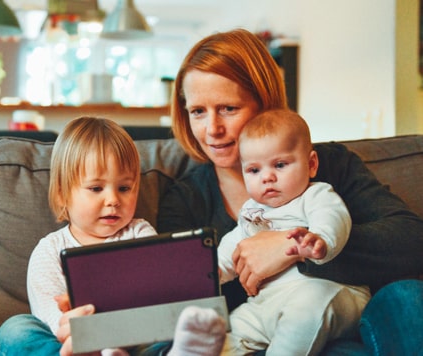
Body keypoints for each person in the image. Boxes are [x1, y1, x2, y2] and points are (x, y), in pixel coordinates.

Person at [157, 28, 423, 353]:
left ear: (263, 103)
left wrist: (290, 248)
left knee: (408, 296)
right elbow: (182, 297)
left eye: (228, 108)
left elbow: (411, 240)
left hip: (343, 325)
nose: (212, 129)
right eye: (198, 111)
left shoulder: (329, 165)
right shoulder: (184, 199)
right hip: (250, 337)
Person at [0, 116, 226, 356]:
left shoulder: (140, 233)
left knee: (172, 332)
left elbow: (158, 296)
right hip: (72, 344)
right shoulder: (49, 250)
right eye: (96, 188)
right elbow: (51, 317)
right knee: (16, 330)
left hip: (136, 340)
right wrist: (80, 336)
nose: (113, 200)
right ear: (62, 194)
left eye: (124, 188)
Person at [217, 108, 370, 354]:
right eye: (254, 170)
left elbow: (333, 216)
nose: (267, 177)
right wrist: (213, 271)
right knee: (223, 335)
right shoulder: (251, 211)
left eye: (279, 165)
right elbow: (234, 245)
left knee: (306, 308)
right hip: (266, 303)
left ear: (311, 165)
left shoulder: (315, 194)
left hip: (328, 292)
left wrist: (321, 239)